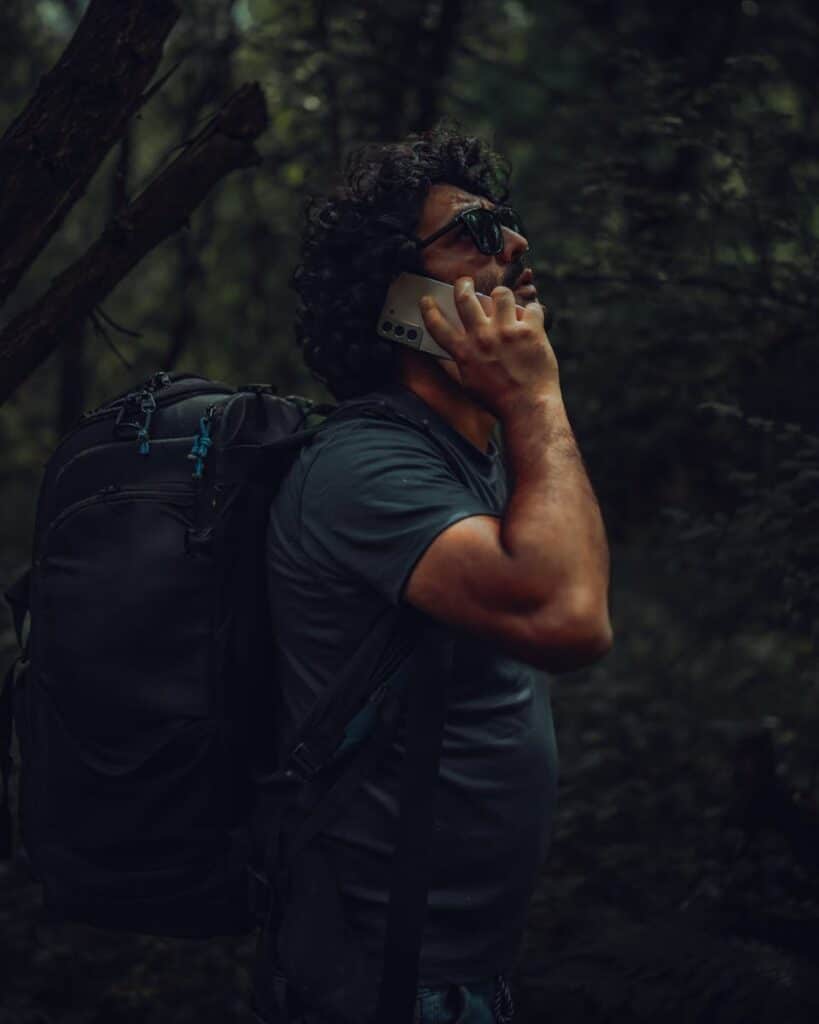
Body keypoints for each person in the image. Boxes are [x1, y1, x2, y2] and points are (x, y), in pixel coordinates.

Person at [264, 122, 613, 1024]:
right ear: (399, 296)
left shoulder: (477, 457)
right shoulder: (366, 468)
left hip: (461, 970)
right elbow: (570, 617)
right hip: (383, 980)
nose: (517, 243)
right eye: (478, 233)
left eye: (510, 221)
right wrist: (536, 396)